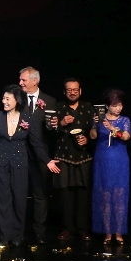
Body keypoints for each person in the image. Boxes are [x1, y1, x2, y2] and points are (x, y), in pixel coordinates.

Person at [0, 85, 46, 247]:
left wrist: (47, 160)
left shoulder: (26, 117)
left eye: (7, 99)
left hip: (20, 163)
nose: (3, 101)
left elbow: (35, 142)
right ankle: (5, 236)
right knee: (2, 200)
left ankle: (17, 235)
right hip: (0, 163)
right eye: (3, 98)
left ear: (16, 100)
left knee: (20, 200)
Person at [46, 78, 95, 240]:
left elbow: (95, 131)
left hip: (83, 157)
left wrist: (87, 139)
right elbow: (48, 131)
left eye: (75, 89)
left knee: (83, 193)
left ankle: (82, 228)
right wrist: (61, 122)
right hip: (63, 156)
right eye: (69, 90)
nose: (72, 92)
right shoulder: (58, 107)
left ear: (80, 91)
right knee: (65, 194)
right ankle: (67, 228)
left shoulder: (88, 108)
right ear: (64, 92)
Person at [18, 67, 56, 242]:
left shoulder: (50, 101)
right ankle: (18, 230)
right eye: (20, 80)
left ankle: (39, 231)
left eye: (24, 80)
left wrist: (56, 126)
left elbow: (53, 132)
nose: (21, 83)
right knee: (19, 192)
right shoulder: (17, 99)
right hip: (20, 153)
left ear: (35, 81)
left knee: (40, 194)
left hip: (42, 156)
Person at [90, 89, 131, 244]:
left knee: (119, 195)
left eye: (120, 105)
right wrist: (95, 125)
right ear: (107, 106)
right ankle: (107, 232)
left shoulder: (125, 120)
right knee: (105, 196)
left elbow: (126, 136)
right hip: (102, 160)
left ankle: (119, 232)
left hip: (120, 160)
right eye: (114, 105)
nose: (118, 108)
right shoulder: (99, 119)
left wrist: (112, 128)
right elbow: (93, 137)